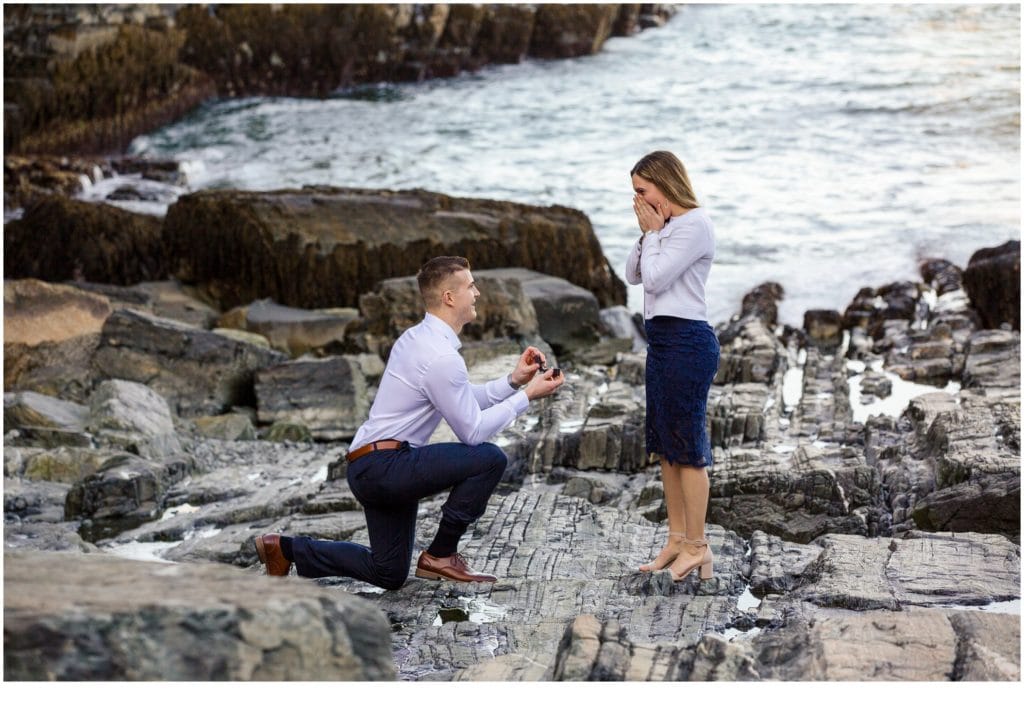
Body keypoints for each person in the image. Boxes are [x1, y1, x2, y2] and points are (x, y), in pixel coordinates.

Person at [254, 256, 565, 588]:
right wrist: (527, 397)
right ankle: (441, 555)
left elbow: (459, 400)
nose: (477, 293)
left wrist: (514, 381)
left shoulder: (418, 339)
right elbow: (472, 431)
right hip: (385, 466)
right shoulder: (441, 357)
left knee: (387, 572)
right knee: (489, 458)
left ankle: (285, 549)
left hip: (370, 465)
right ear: (449, 297)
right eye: (471, 286)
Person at [624, 150, 720, 583]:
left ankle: (698, 546)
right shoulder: (663, 229)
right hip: (661, 342)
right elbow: (633, 274)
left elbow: (658, 278)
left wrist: (654, 233)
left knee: (688, 449)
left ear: (664, 184)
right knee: (665, 447)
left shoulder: (696, 225)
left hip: (687, 342)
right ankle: (677, 538)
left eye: (642, 191)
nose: (638, 200)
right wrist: (648, 233)